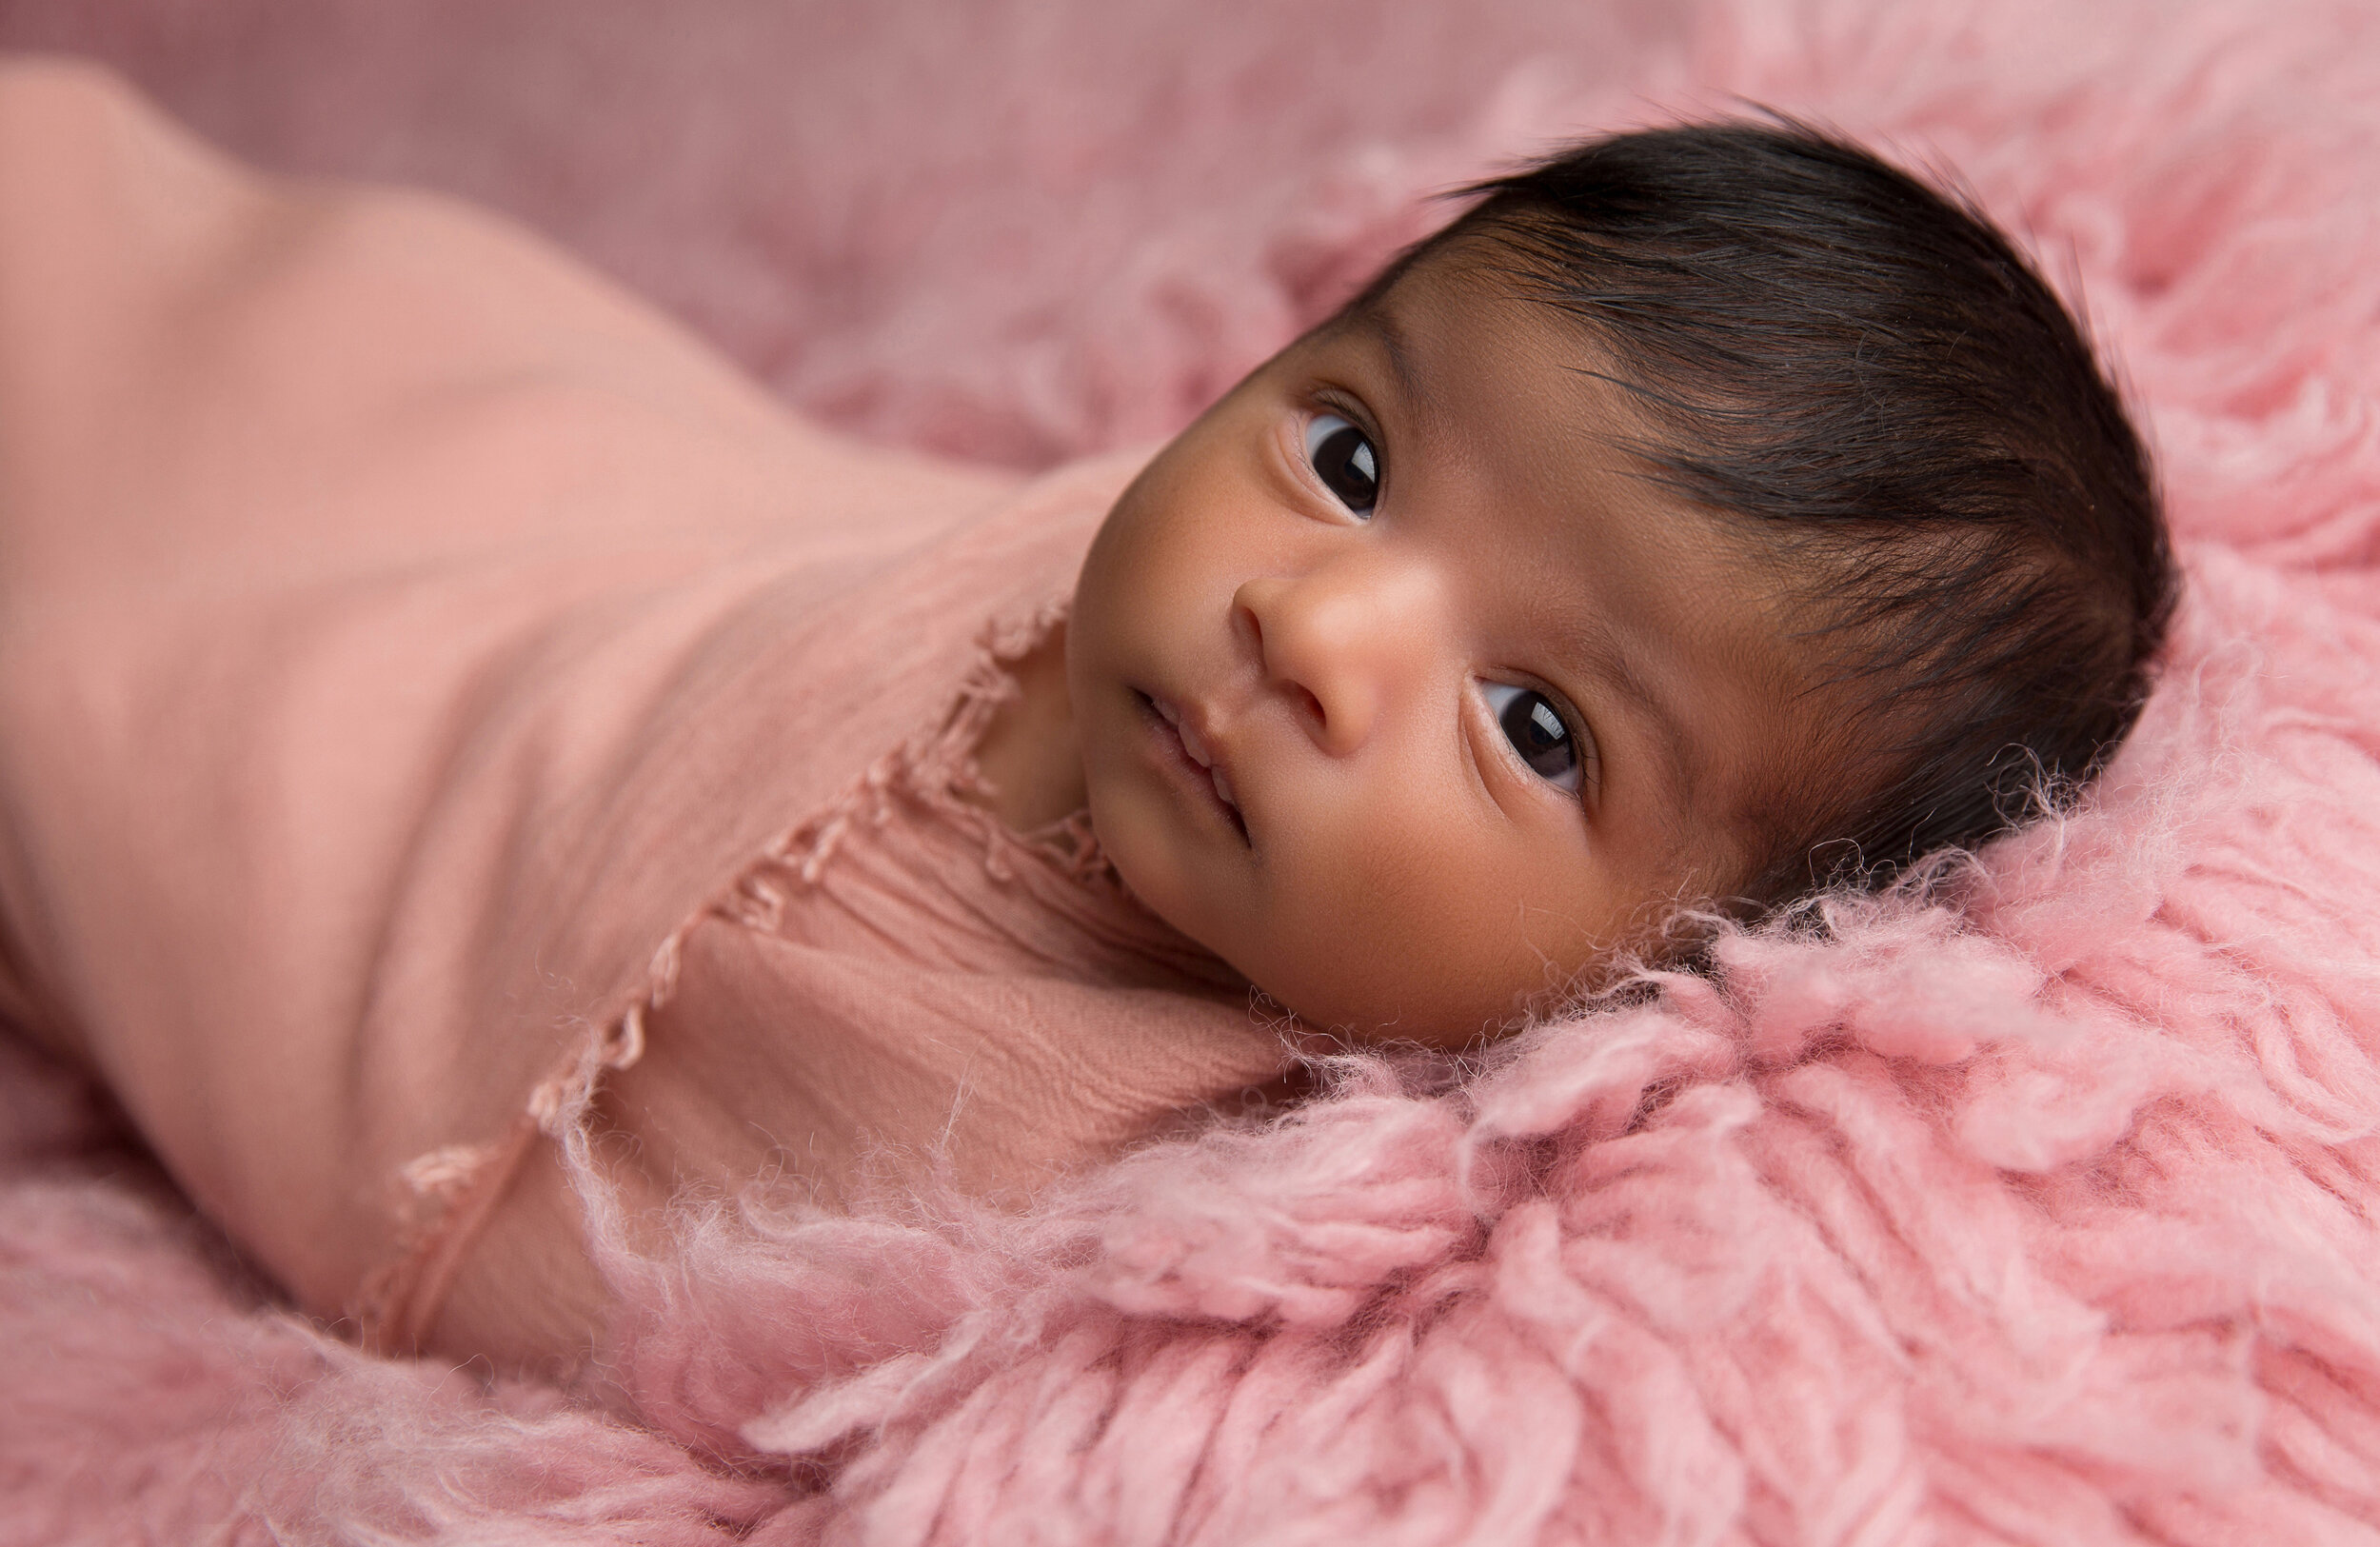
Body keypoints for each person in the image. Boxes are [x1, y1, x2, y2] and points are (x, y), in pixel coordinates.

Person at [0, 62, 2172, 1377]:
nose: (1315, 626)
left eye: (1533, 727)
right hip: (446, 457)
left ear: (1693, 973)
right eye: (1345, 454)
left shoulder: (1194, 1213)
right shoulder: (1070, 592)